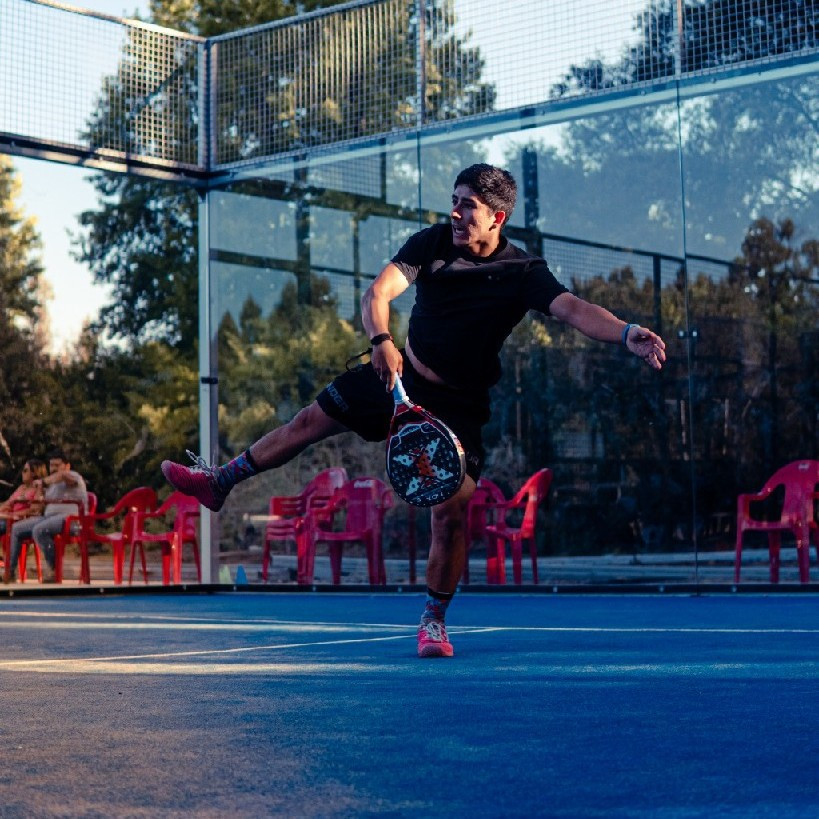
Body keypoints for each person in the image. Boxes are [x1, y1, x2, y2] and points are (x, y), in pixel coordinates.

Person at [162, 163, 666, 658]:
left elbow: (574, 310)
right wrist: (381, 340)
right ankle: (220, 481)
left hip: (459, 407)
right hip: (399, 376)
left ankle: (434, 620)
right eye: (454, 202)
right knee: (307, 422)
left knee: (450, 513)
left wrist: (626, 333)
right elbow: (378, 293)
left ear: (497, 217)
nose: (456, 213)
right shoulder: (430, 244)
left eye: (469, 206)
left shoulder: (523, 272)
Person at [5, 450, 88, 584]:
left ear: (67, 466)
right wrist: (39, 490)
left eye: (57, 465)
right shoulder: (52, 485)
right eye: (51, 465)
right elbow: (39, 502)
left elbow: (63, 476)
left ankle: (53, 569)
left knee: (40, 529)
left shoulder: (74, 476)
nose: (53, 468)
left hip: (71, 520)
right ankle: (10, 572)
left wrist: (43, 481)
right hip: (49, 518)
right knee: (16, 529)